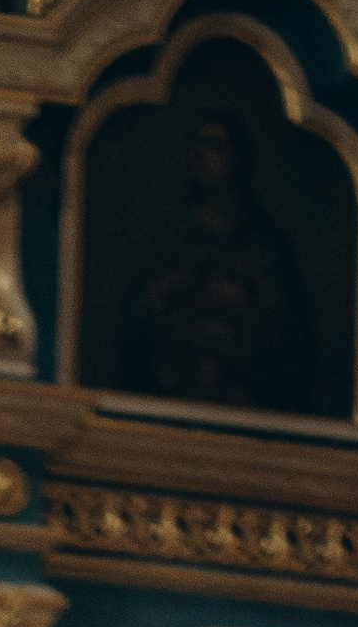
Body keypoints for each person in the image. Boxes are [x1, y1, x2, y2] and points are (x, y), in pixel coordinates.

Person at [114, 103, 314, 413]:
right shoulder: (171, 235)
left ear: (237, 159)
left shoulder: (265, 242)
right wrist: (171, 288)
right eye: (196, 143)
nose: (200, 153)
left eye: (214, 145)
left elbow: (287, 327)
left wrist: (249, 283)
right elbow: (139, 310)